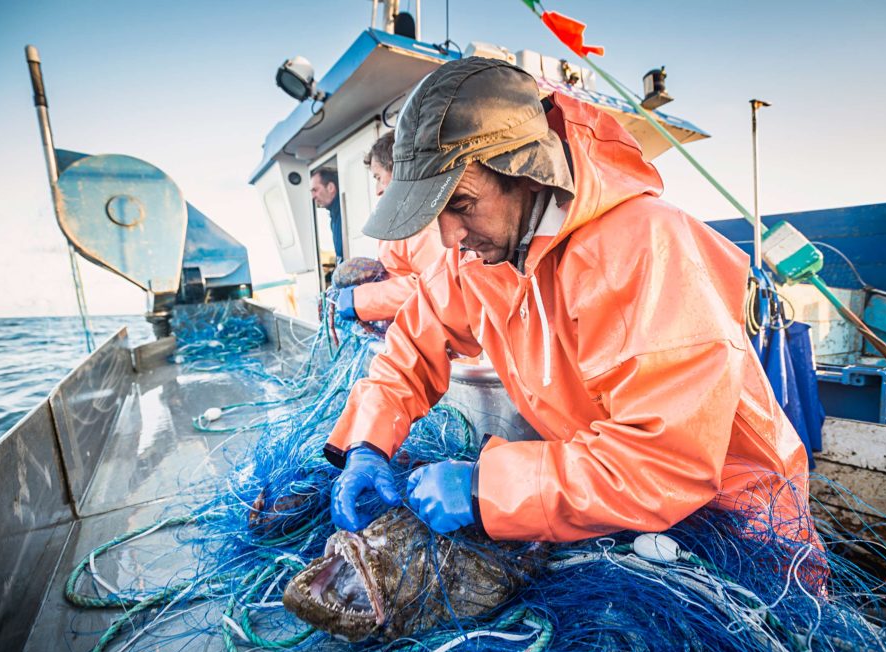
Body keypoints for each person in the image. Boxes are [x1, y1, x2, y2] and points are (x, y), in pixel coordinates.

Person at [325, 57, 814, 546]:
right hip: (611, 511)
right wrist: (367, 443)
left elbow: (664, 460)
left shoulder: (646, 247)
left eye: (462, 204)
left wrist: (483, 488)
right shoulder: (480, 260)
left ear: (527, 173)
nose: (449, 236)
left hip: (735, 529)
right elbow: (411, 346)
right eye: (437, 211)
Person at [333, 132, 446, 323]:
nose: (377, 190)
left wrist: (358, 300)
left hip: (434, 344)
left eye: (378, 177)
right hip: (409, 333)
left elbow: (437, 287)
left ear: (398, 170)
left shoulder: (423, 222)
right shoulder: (405, 218)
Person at [310, 168, 343, 261]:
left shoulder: (344, 212)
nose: (313, 197)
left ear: (331, 188)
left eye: (315, 190)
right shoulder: (334, 217)